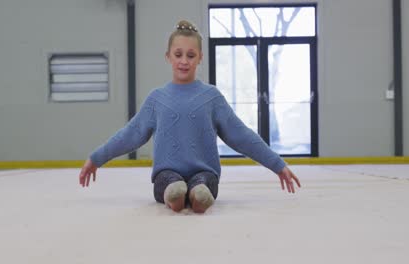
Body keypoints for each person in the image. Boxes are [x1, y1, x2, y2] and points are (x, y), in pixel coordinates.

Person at [79, 20, 301, 214]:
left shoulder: (211, 97)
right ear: (168, 57)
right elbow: (130, 134)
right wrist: (97, 158)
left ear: (200, 58)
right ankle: (174, 196)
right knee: (170, 182)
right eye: (178, 54)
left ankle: (197, 196)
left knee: (203, 184)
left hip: (205, 174)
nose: (184, 61)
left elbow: (241, 135)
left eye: (191, 55)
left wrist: (277, 164)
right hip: (166, 175)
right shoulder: (157, 99)